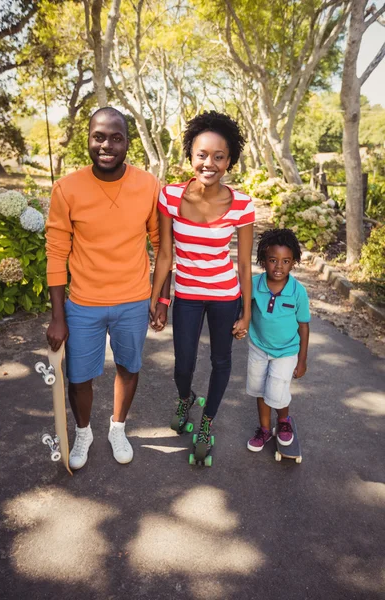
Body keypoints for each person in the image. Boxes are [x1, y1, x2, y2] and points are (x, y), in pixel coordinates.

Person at [45, 106, 170, 470]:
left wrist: (162, 297)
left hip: (133, 300)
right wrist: (58, 317)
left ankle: (118, 427)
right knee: (79, 377)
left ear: (127, 143)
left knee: (129, 368)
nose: (107, 145)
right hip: (83, 304)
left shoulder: (147, 184)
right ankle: (83, 431)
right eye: (99, 136)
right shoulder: (66, 188)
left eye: (116, 137)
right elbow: (56, 254)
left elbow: (162, 245)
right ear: (88, 139)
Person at [150, 111, 254, 463]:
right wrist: (158, 299)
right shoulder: (170, 196)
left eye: (219, 156)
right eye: (201, 155)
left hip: (226, 296)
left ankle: (207, 422)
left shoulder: (241, 204)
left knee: (221, 360)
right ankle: (186, 398)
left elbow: (242, 264)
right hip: (188, 296)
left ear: (229, 161)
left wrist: (247, 314)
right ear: (190, 155)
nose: (209, 163)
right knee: (183, 364)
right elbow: (165, 253)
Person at [246, 228, 310, 452]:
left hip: (287, 351)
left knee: (277, 389)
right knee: (259, 389)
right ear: (263, 260)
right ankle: (264, 429)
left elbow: (303, 325)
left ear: (294, 263)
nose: (279, 266)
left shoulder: (298, 292)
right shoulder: (254, 284)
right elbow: (242, 307)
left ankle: (283, 422)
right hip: (258, 347)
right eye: (273, 260)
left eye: (285, 261)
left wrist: (302, 361)